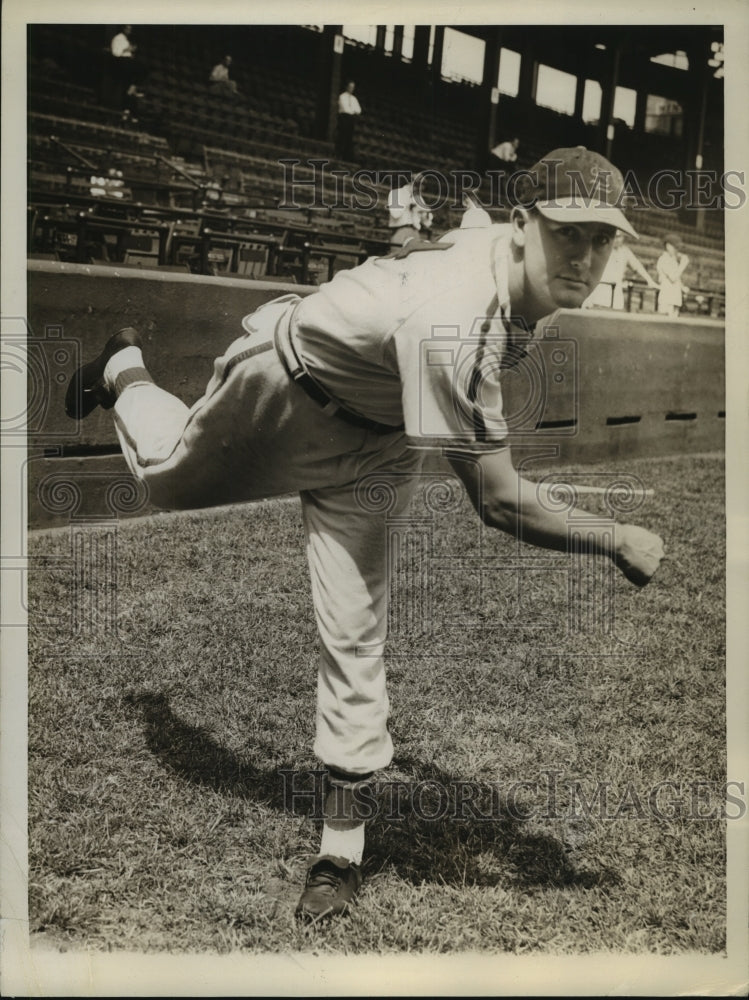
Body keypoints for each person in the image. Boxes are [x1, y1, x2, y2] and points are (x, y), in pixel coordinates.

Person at [64, 145, 665, 922]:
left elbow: (440, 250)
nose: (584, 255)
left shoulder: (497, 256)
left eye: (600, 237)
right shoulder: (451, 317)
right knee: (164, 479)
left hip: (378, 436)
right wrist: (611, 536)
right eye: (566, 232)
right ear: (522, 225)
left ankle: (338, 853)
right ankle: (125, 367)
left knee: (356, 629)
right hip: (286, 386)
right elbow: (501, 503)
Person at [583, 231, 658, 310]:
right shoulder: (603, 249)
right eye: (615, 237)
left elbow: (637, 266)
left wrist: (649, 280)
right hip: (601, 290)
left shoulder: (625, 251)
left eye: (620, 237)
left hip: (616, 291)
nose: (618, 240)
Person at [387, 173, 434, 248]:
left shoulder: (419, 198)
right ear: (411, 183)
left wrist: (426, 213)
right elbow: (395, 214)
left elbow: (427, 223)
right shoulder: (396, 193)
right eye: (416, 186)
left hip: (415, 232)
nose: (418, 190)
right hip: (400, 231)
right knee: (398, 256)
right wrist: (408, 203)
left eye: (421, 188)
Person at [656, 233, 690, 316]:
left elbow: (677, 279)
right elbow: (673, 277)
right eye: (676, 247)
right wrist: (683, 264)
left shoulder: (673, 260)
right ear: (668, 246)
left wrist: (682, 287)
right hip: (667, 297)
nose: (678, 250)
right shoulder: (663, 259)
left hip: (675, 297)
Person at [335, 81, 361, 161]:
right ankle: (338, 154)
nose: (351, 89)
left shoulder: (354, 99)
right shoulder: (342, 96)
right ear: (346, 87)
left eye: (353, 87)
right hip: (344, 118)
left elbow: (359, 110)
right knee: (342, 136)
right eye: (350, 87)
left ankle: (345, 156)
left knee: (349, 138)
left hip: (351, 119)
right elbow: (345, 108)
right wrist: (353, 110)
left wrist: (353, 111)